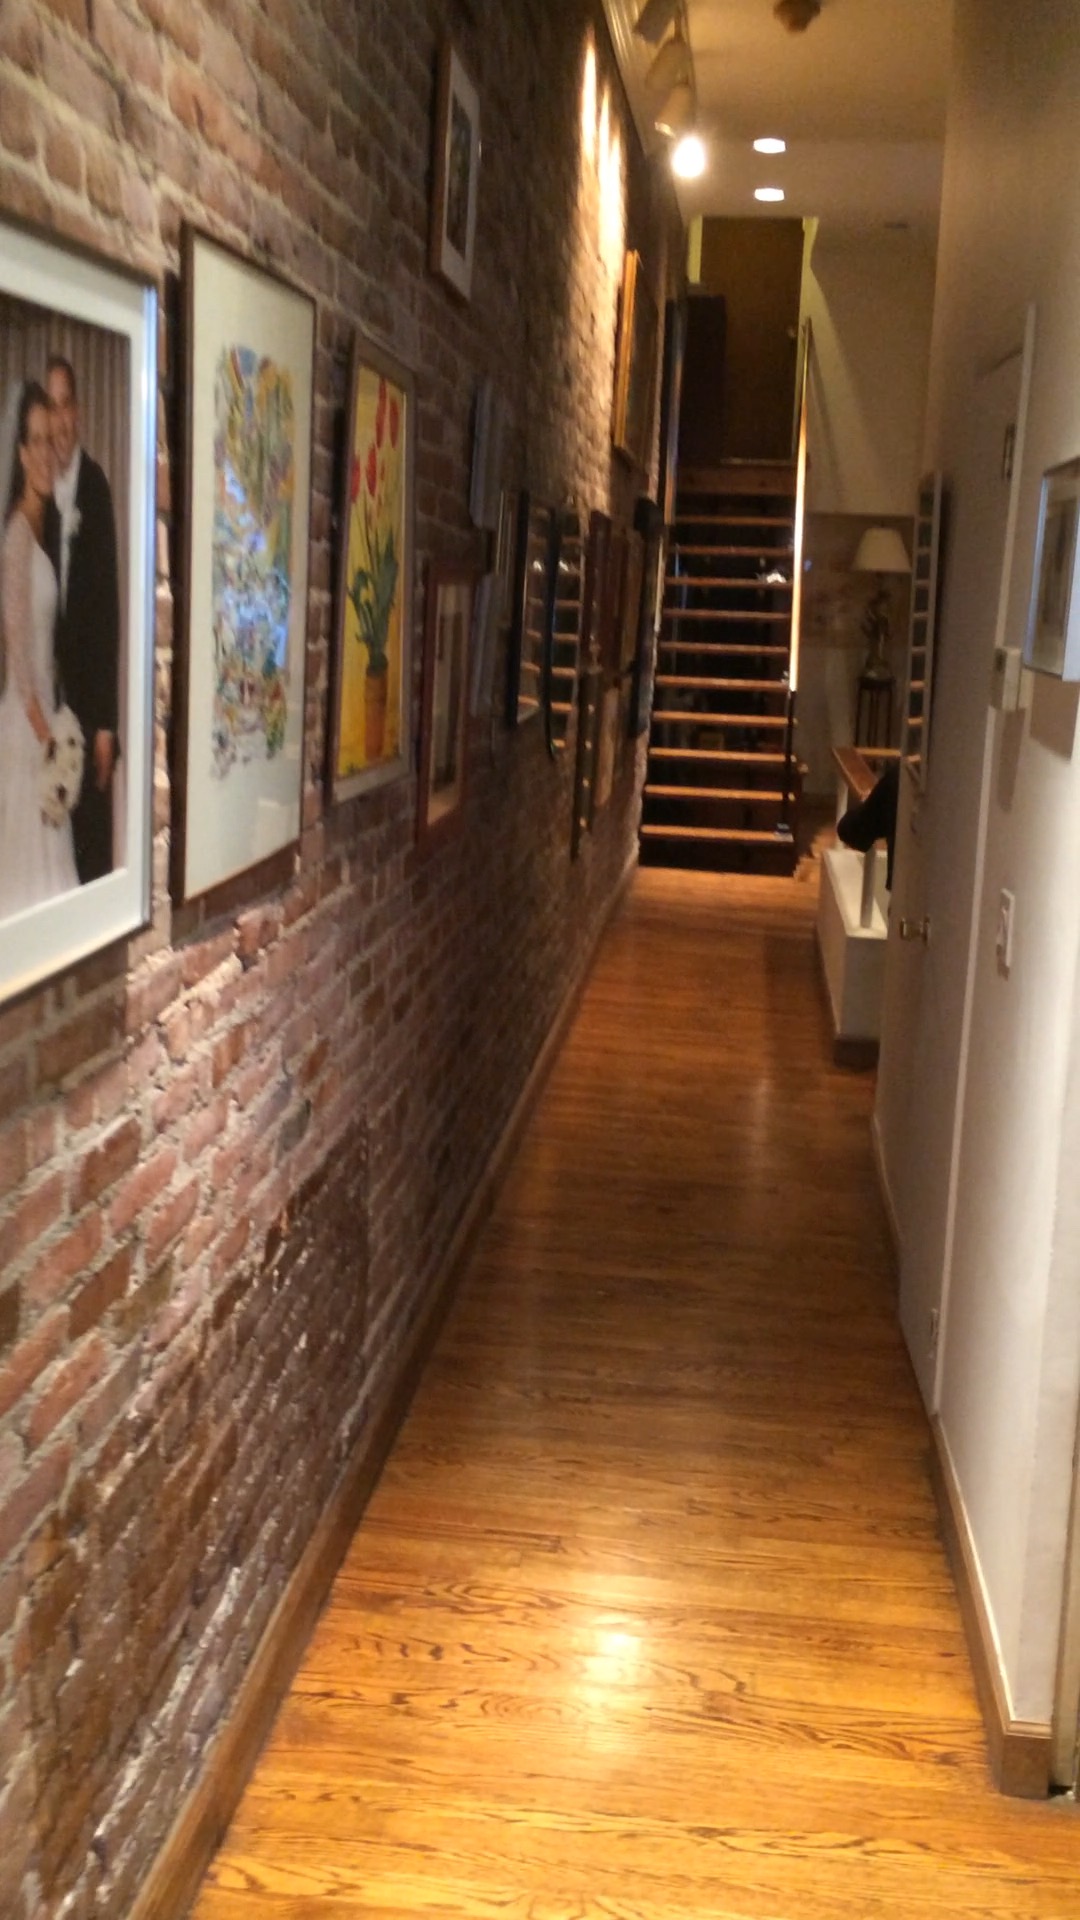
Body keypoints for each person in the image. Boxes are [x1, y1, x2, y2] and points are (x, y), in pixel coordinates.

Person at [0, 381, 79, 915]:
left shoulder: (38, 528)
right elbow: (20, 662)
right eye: (36, 441)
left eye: (52, 440)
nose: (48, 453)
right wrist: (50, 744)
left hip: (44, 719)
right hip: (27, 728)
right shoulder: (16, 539)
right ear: (21, 453)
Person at [45, 354, 121, 884]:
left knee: (92, 858)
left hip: (90, 712)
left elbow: (109, 613)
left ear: (79, 411)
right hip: (46, 706)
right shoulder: (34, 489)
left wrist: (107, 727)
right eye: (51, 407)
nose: (61, 420)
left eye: (66, 404)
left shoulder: (96, 487)